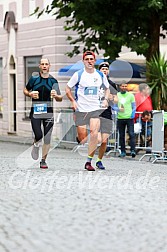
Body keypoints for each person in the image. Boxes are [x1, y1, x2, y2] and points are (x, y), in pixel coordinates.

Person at [65, 51, 110, 171]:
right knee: (83, 139)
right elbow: (67, 89)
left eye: (91, 59)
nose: (89, 61)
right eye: (87, 59)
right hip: (81, 109)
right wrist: (73, 101)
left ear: (95, 61)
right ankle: (80, 138)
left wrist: (105, 99)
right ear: (83, 61)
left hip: (95, 109)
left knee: (94, 135)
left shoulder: (100, 75)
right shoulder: (78, 74)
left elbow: (107, 89)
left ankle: (88, 161)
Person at [23, 58, 62, 169]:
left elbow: (59, 98)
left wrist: (56, 96)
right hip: (36, 111)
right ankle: (35, 145)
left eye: (46, 64)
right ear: (39, 66)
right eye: (42, 64)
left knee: (48, 137)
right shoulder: (34, 79)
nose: (44, 66)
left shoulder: (53, 81)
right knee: (39, 135)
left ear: (49, 66)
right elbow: (25, 90)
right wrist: (30, 94)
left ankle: (43, 160)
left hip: (49, 112)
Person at [97, 62, 118, 168]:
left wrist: (111, 98)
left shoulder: (112, 84)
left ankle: (99, 160)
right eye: (102, 69)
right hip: (95, 113)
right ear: (99, 71)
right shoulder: (94, 82)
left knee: (104, 141)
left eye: (106, 69)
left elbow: (116, 100)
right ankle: (89, 159)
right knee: (97, 139)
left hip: (106, 113)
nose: (105, 71)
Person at [113, 82, 136, 158]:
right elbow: (114, 107)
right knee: (121, 135)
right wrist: (118, 109)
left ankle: (133, 150)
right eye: (122, 86)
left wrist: (132, 115)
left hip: (129, 118)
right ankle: (123, 151)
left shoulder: (131, 95)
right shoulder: (117, 95)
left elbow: (134, 106)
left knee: (131, 134)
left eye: (125, 86)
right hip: (120, 117)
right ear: (120, 87)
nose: (124, 87)